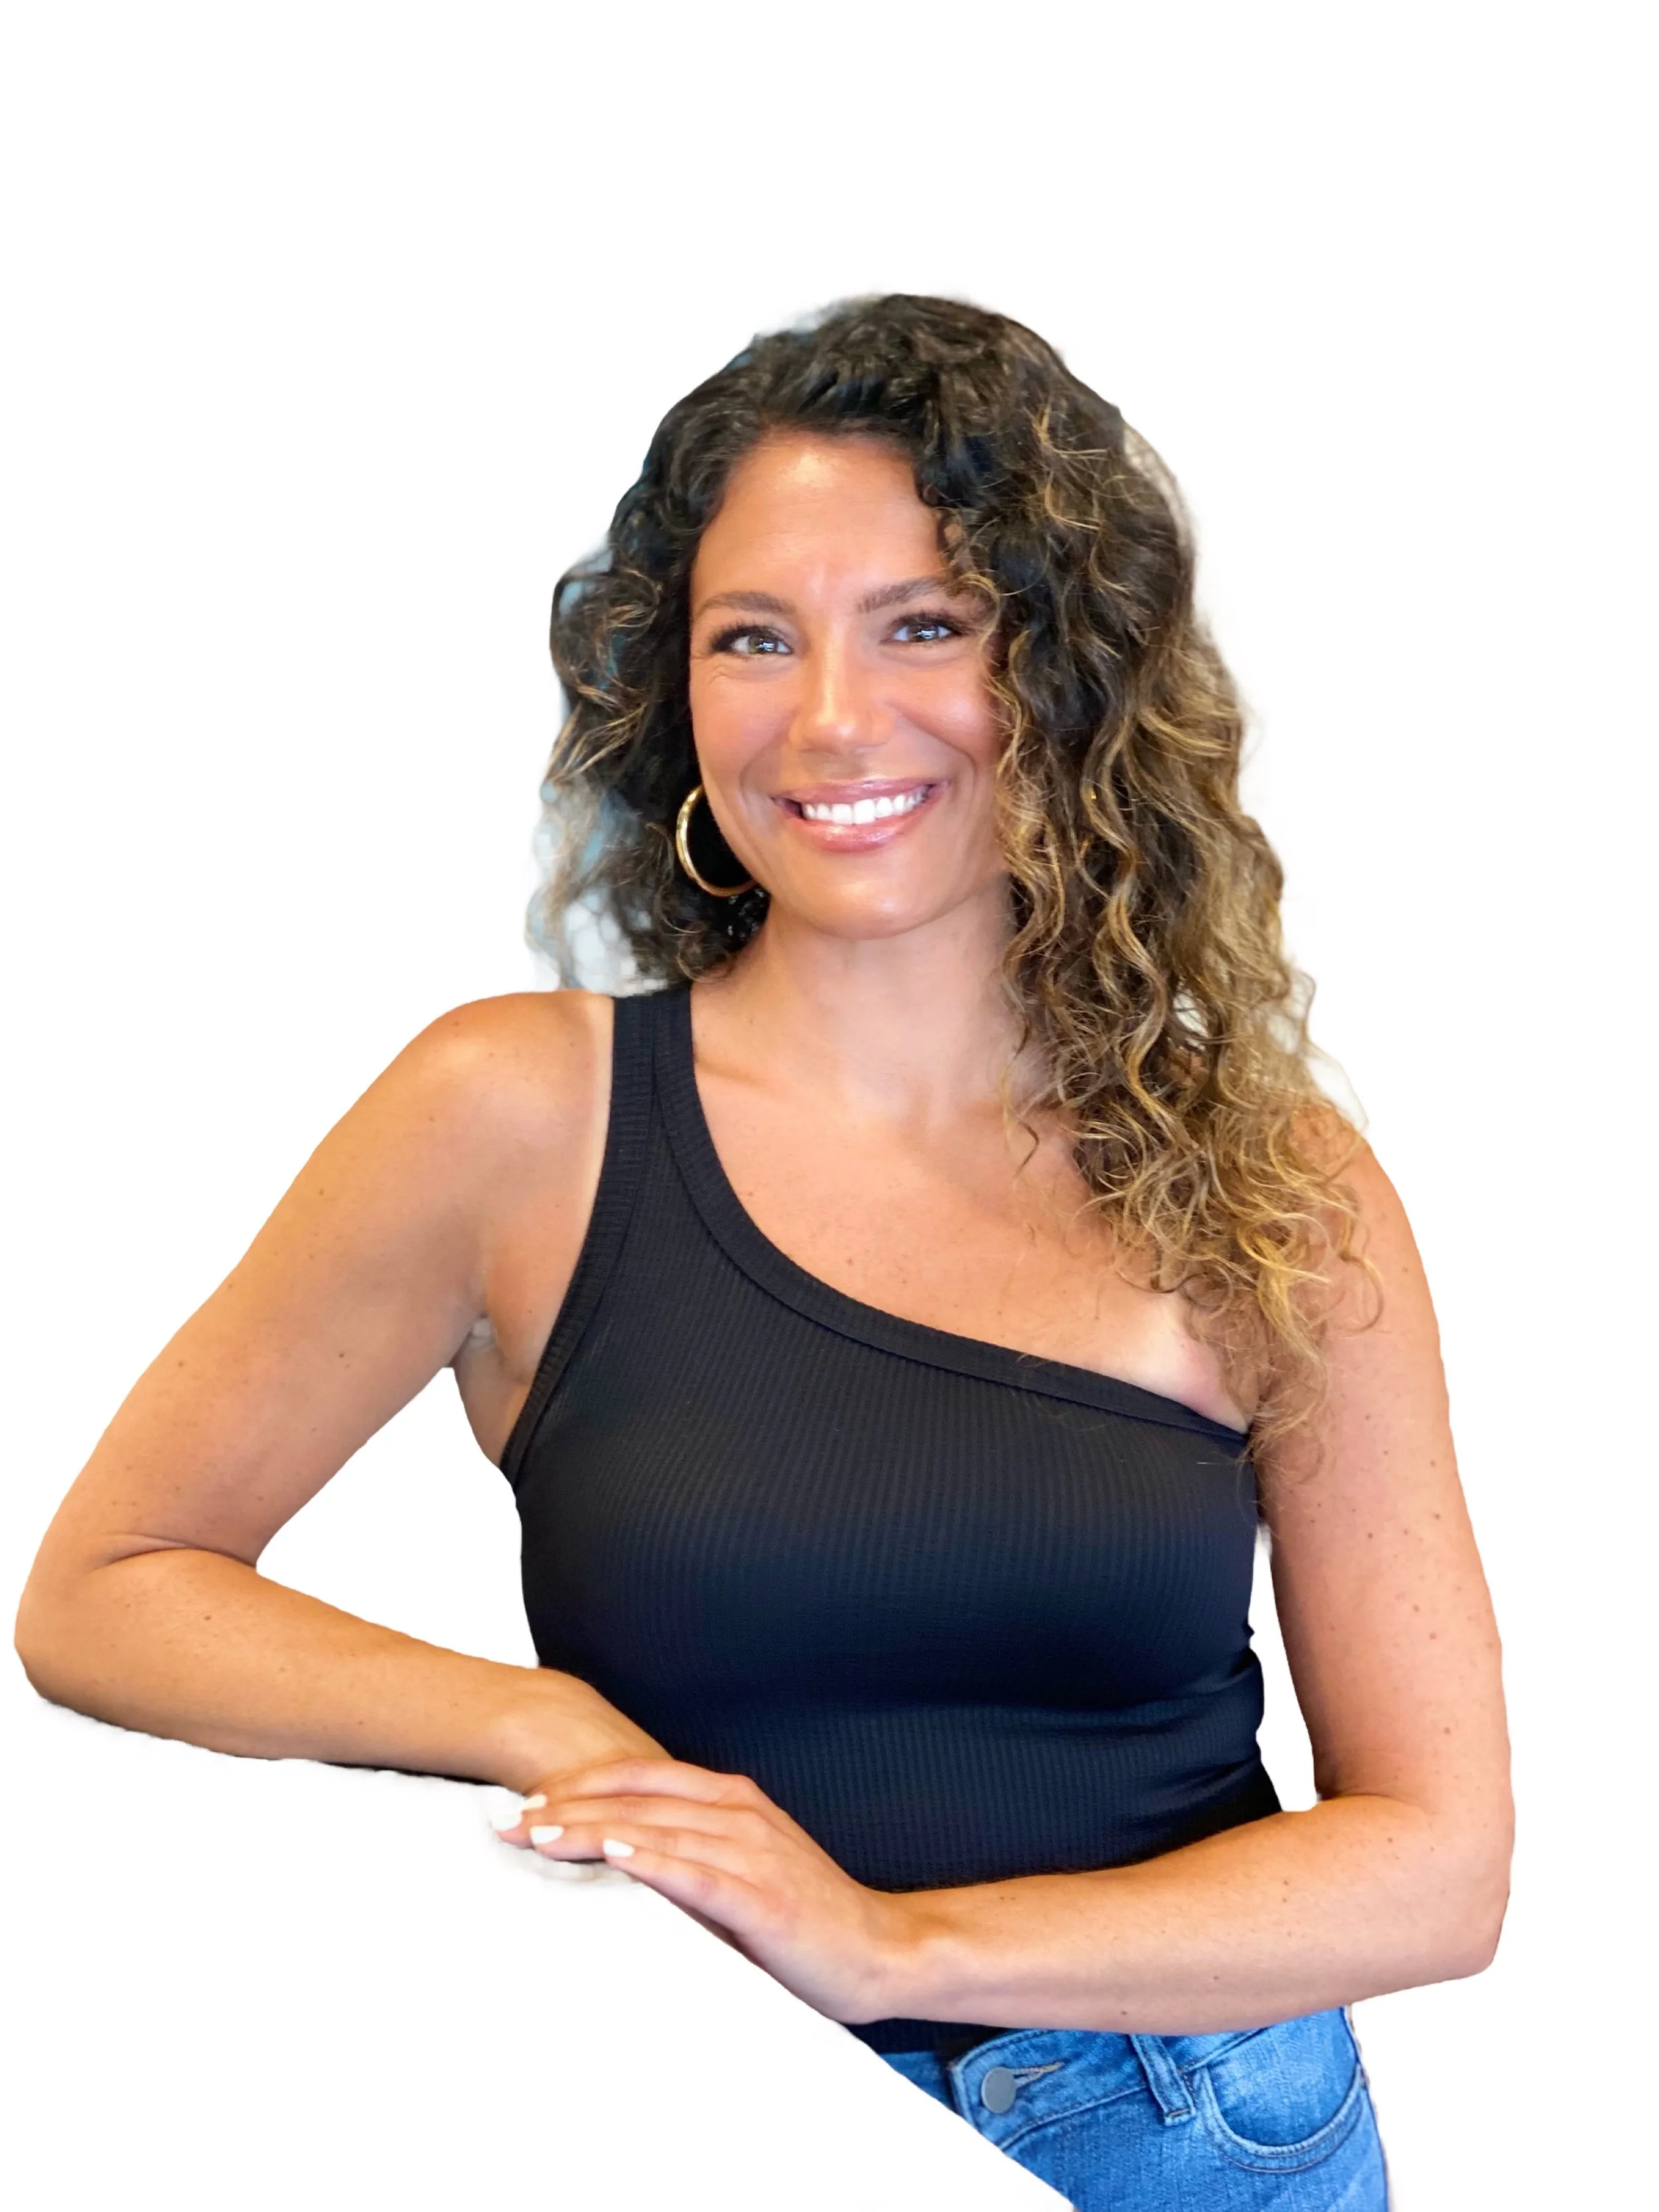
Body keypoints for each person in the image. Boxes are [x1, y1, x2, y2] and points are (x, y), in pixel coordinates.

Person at [16, 295, 1510, 2209]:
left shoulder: (1260, 1180)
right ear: (673, 691)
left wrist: (899, 1944)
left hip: (1189, 2133)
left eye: (922, 624)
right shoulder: (516, 1116)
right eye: (752, 638)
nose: (827, 719)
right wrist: (536, 1719)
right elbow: (104, 1585)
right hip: (701, 2110)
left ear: (1062, 674)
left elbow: (1436, 1861)